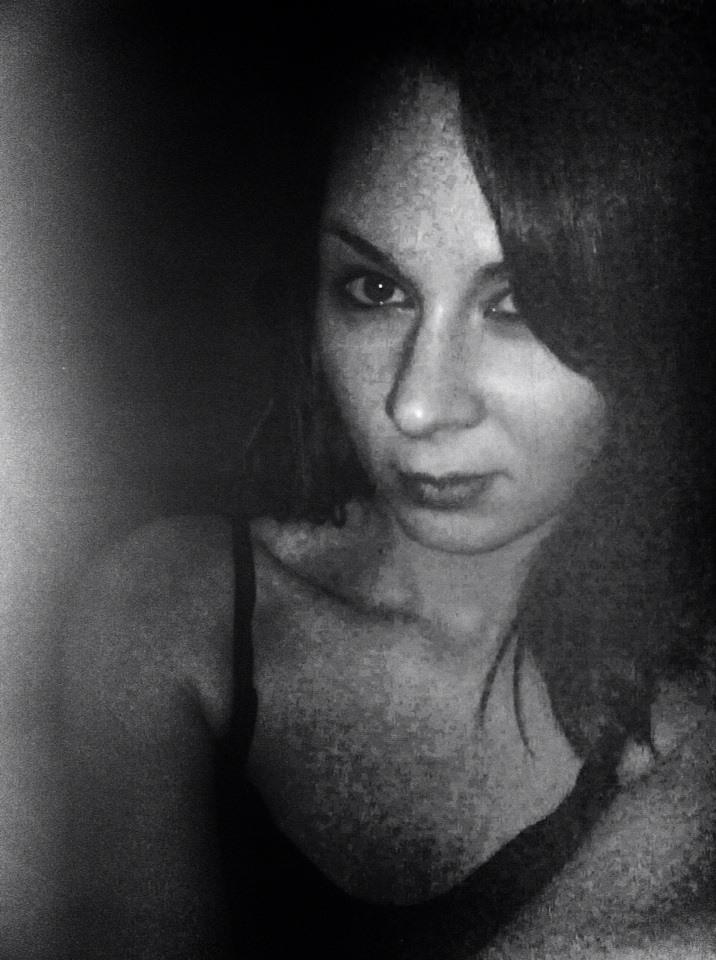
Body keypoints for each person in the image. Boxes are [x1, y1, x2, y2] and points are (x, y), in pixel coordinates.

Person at [63, 3, 715, 958]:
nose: (415, 404)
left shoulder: (692, 723)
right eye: (377, 289)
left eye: (517, 303)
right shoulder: (168, 612)